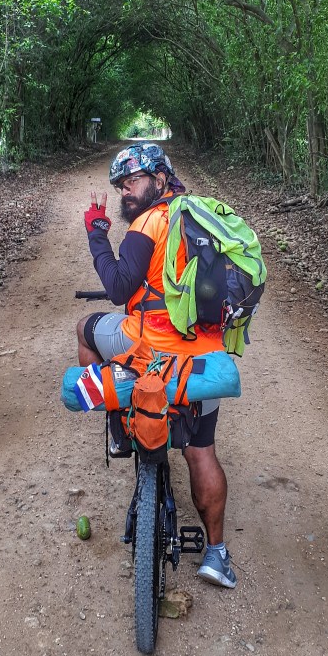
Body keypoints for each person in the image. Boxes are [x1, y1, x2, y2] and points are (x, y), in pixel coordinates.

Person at [77, 142, 237, 589]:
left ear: (161, 179)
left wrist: (97, 233)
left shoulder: (150, 221)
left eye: (133, 181)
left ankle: (117, 425)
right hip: (204, 356)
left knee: (84, 329)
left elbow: (117, 287)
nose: (126, 191)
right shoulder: (202, 217)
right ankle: (217, 554)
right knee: (201, 450)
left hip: (149, 346)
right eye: (121, 185)